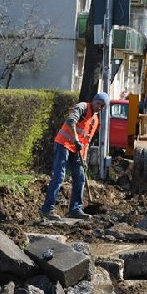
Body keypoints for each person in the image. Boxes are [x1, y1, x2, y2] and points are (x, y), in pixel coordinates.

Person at [40, 92, 109, 221]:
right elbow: (71, 121)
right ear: (93, 101)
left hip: (76, 150)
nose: (99, 107)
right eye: (98, 103)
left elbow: (86, 141)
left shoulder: (95, 120)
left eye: (102, 106)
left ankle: (75, 209)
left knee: (80, 177)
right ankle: (47, 209)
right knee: (59, 176)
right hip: (64, 144)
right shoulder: (82, 107)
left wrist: (84, 158)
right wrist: (76, 140)